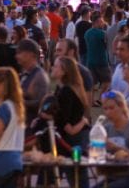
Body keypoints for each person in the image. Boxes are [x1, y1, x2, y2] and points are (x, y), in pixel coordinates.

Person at [50, 56, 91, 188]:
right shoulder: (62, 90)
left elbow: (68, 126)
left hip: (75, 138)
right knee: (74, 176)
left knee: (77, 176)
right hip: (70, 138)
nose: (52, 68)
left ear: (64, 71)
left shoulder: (66, 92)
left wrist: (83, 122)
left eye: (56, 66)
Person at [98, 90, 129, 188]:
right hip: (113, 176)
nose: (108, 112)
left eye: (111, 108)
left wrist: (117, 148)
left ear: (121, 107)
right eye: (105, 109)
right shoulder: (106, 128)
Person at [15, 39, 49, 126]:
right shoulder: (24, 74)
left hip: (32, 128)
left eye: (19, 53)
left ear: (30, 54)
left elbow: (42, 103)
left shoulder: (39, 76)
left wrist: (18, 101)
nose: (16, 56)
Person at [85, 13, 113, 103]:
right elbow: (107, 45)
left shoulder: (87, 33)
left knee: (91, 83)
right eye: (101, 21)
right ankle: (101, 98)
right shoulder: (102, 33)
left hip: (90, 60)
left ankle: (91, 100)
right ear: (97, 22)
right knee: (107, 81)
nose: (103, 23)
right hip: (102, 61)